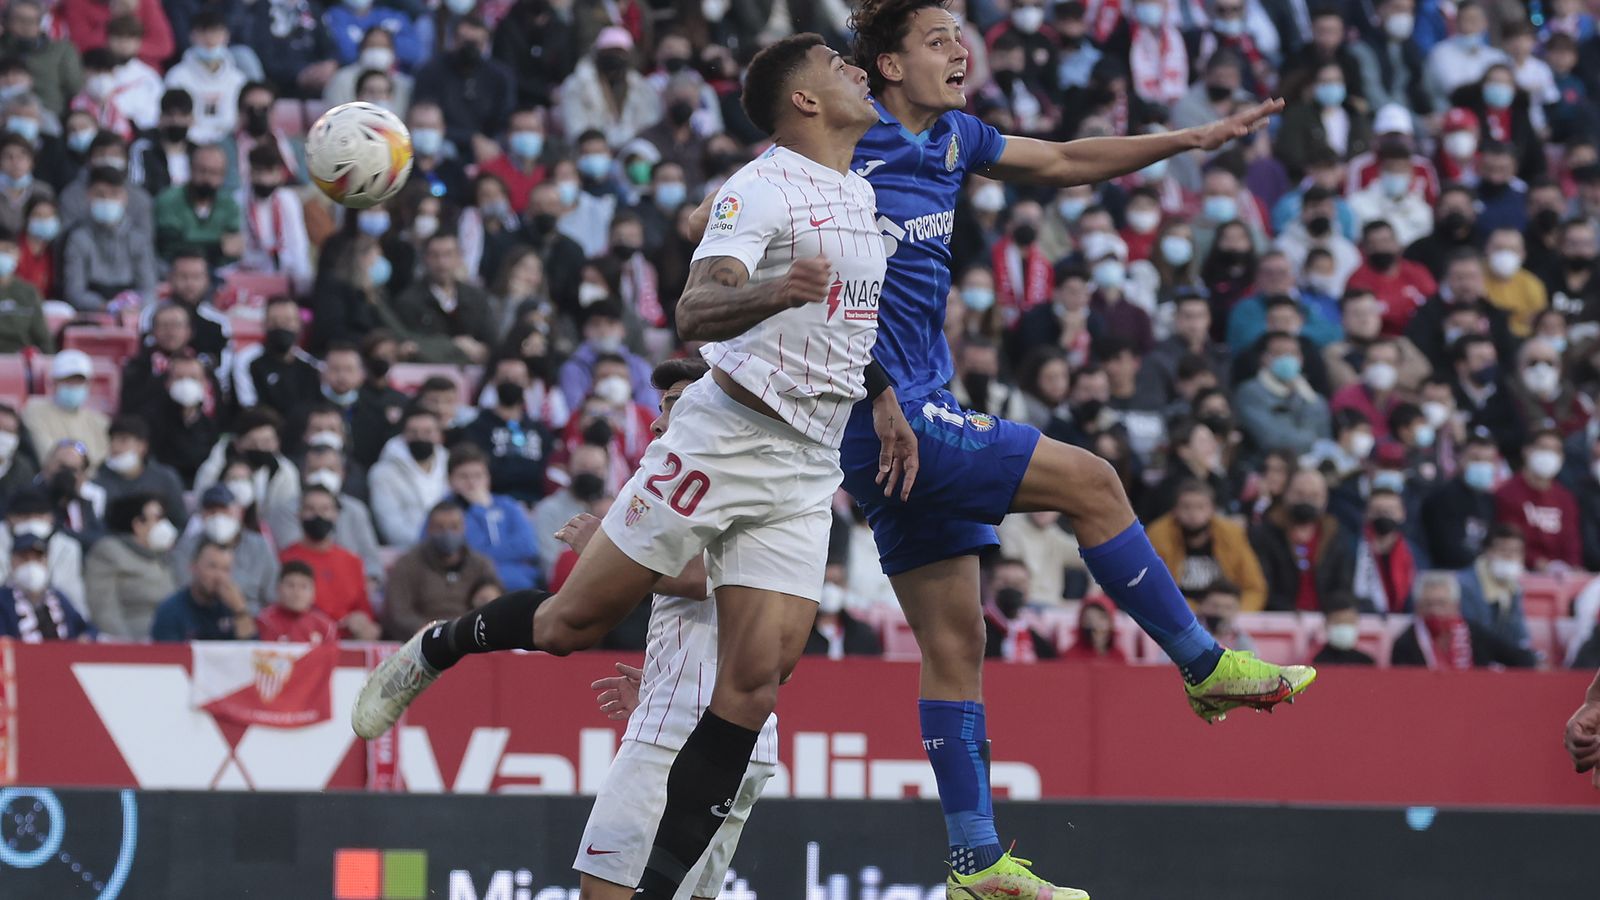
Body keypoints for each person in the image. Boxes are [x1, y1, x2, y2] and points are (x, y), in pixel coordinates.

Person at [354, 37, 915, 900]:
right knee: (568, 625)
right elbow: (697, 304)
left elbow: (843, 325)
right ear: (804, 99)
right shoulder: (761, 187)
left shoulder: (859, 189)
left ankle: (654, 889)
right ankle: (433, 648)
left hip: (808, 464)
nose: (860, 73)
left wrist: (881, 395)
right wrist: (772, 290)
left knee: (756, 685)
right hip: (725, 439)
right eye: (842, 66)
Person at [562, 362, 778, 900]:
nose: (658, 424)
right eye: (659, 407)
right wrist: (664, 680)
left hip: (681, 730)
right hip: (733, 726)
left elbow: (701, 577)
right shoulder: (769, 479)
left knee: (603, 892)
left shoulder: (718, 482)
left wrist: (601, 551)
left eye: (675, 403)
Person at [379, 498, 502, 639]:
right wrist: (435, 633)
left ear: (464, 528)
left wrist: (491, 599)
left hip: (469, 640)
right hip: (421, 643)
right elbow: (397, 614)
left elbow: (497, 602)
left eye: (454, 527)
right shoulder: (407, 565)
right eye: (440, 527)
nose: (447, 533)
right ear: (429, 529)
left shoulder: (480, 564)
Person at [278, 485, 380, 640]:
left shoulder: (352, 561)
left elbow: (364, 611)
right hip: (302, 640)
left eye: (325, 509)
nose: (318, 515)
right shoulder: (285, 559)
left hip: (345, 642)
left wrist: (361, 621)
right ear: (299, 514)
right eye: (310, 509)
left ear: (336, 514)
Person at [1148, 479, 1267, 610]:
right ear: (1175, 510)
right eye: (1186, 507)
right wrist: (1196, 611)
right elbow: (1155, 589)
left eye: (1200, 507)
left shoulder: (1232, 534)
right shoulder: (1158, 535)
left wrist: (1238, 613)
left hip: (1226, 611)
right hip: (1178, 615)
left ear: (1212, 509)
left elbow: (1254, 587)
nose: (1193, 514)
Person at [1249, 468, 1354, 611]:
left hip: (1324, 622)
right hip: (1277, 620)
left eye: (1314, 496)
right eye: (1299, 494)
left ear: (1325, 500)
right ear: (1286, 494)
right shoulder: (1264, 535)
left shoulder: (1338, 537)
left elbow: (1342, 586)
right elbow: (1262, 585)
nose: (1306, 501)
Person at [384, 231, 497, 364]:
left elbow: (492, 340)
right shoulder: (408, 301)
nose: (442, 262)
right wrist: (454, 346)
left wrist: (483, 350)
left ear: (459, 257)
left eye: (448, 254)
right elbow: (409, 342)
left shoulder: (477, 298)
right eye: (435, 255)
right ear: (425, 258)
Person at [1391, 570, 1535, 668]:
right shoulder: (1405, 642)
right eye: (1428, 604)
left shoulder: (1475, 633)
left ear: (1455, 606)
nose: (1434, 610)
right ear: (1417, 608)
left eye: (1441, 603)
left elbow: (1521, 659)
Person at [446, 443, 541, 591]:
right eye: (463, 476)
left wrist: (488, 552)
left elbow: (528, 546)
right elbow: (466, 556)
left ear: (488, 478)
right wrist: (480, 510)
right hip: (470, 587)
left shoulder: (508, 505)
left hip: (520, 584)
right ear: (451, 480)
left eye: (478, 476)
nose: (472, 483)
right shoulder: (445, 511)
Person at [62, 166, 158, 311]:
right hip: (90, 311)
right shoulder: (78, 237)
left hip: (132, 311)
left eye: (114, 194)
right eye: (100, 194)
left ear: (124, 198)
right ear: (88, 196)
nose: (107, 200)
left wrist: (133, 305)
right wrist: (105, 306)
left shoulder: (138, 238)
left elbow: (148, 288)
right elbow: (74, 291)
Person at [83, 493, 177, 640]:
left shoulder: (162, 557)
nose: (165, 525)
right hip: (133, 643)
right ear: (138, 525)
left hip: (170, 643)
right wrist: (128, 649)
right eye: (158, 518)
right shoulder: (109, 552)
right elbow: (104, 609)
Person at [173, 484, 279, 611]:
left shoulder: (259, 546)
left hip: (251, 617)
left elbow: (273, 595)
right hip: (198, 616)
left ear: (238, 512)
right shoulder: (186, 547)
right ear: (201, 515)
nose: (218, 516)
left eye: (224, 510)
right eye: (211, 511)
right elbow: (182, 589)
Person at [1494, 429, 1581, 572]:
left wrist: (1573, 567)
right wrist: (1540, 564)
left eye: (1555, 450)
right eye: (1544, 448)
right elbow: (1508, 540)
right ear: (1527, 451)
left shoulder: (1566, 498)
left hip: (1562, 576)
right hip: (1521, 571)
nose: (1549, 455)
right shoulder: (1507, 493)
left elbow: (1572, 544)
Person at [369, 407, 450, 545]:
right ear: (403, 434)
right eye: (413, 432)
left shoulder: (452, 465)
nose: (420, 437)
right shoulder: (383, 473)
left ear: (439, 435)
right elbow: (391, 524)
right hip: (411, 552)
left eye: (428, 432)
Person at [0, 485, 86, 614]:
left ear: (50, 517)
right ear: (9, 519)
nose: (32, 521)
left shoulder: (66, 546)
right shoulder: (2, 538)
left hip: (53, 614)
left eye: (39, 515)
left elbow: (72, 596)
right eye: (24, 516)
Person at [232, 296, 322, 418]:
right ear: (264, 325)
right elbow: (249, 406)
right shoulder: (246, 360)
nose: (281, 327)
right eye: (274, 322)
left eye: (287, 322)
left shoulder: (312, 364)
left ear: (299, 325)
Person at [150, 540, 259, 641]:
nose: (219, 576)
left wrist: (240, 611)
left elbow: (251, 654)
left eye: (226, 569)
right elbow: (168, 656)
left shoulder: (231, 607)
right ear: (193, 567)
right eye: (212, 567)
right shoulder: (171, 610)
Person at [93, 415, 186, 529]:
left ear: (142, 446)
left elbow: (180, 522)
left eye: (123, 440)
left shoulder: (165, 479)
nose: (115, 447)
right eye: (112, 440)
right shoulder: (98, 481)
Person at [20, 350, 109, 466]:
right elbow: (47, 456)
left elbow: (103, 460)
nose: (74, 386)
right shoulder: (34, 411)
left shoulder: (99, 421)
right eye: (68, 381)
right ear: (54, 382)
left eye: (79, 381)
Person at [0, 534, 92, 641]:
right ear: (12, 562)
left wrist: (86, 637)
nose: (31, 564)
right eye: (24, 558)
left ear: (46, 561)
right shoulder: (3, 599)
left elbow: (86, 628)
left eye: (38, 558)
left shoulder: (58, 597)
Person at [1456, 524, 1532, 653]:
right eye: (1503, 550)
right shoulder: (1464, 584)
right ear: (1487, 551)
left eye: (1515, 551)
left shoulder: (1514, 587)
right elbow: (1473, 633)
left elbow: (1520, 636)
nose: (1509, 556)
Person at [256, 560, 340, 644]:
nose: (297, 593)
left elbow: (332, 656)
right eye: (291, 585)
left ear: (313, 592)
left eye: (304, 586)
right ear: (278, 589)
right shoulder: (264, 622)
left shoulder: (326, 627)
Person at [1312, 592, 1376, 665]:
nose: (1344, 626)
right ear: (1326, 624)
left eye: (1349, 621)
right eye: (1339, 621)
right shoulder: (1317, 662)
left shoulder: (1366, 662)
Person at [1062, 595, 1124, 662]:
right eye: (1089, 619)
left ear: (1111, 622)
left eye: (1102, 618)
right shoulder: (1070, 657)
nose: (1095, 625)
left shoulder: (1119, 657)